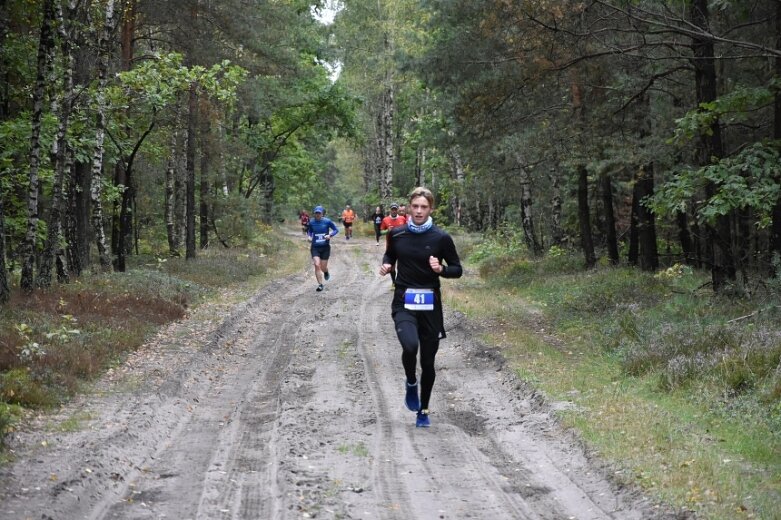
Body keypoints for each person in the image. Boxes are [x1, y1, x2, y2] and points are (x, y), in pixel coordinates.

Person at [379, 187, 462, 427]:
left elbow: (457, 269)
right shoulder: (397, 234)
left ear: (430, 209)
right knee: (410, 345)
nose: (418, 211)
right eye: (415, 206)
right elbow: (389, 257)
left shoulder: (441, 238)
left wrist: (441, 270)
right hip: (404, 300)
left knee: (428, 361)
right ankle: (410, 381)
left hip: (430, 304)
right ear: (407, 208)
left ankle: (423, 410)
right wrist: (386, 266)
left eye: (423, 207)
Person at [307, 205, 339, 291]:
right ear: (314, 214)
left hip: (325, 247)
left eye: (319, 213)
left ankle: (326, 271)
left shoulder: (327, 221)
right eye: (316, 213)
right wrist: (309, 236)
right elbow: (309, 231)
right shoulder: (311, 222)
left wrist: (330, 235)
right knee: (317, 265)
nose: (317, 215)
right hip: (315, 247)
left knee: (323, 267)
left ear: (322, 214)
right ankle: (320, 284)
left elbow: (336, 230)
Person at [380, 203, 407, 283]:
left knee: (402, 265)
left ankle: (401, 281)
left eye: (395, 209)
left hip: (402, 245)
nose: (394, 211)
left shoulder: (402, 218)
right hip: (391, 246)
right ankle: (393, 282)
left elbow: (406, 229)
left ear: (397, 210)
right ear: (390, 210)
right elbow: (381, 232)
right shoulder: (385, 219)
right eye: (392, 209)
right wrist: (387, 231)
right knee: (392, 267)